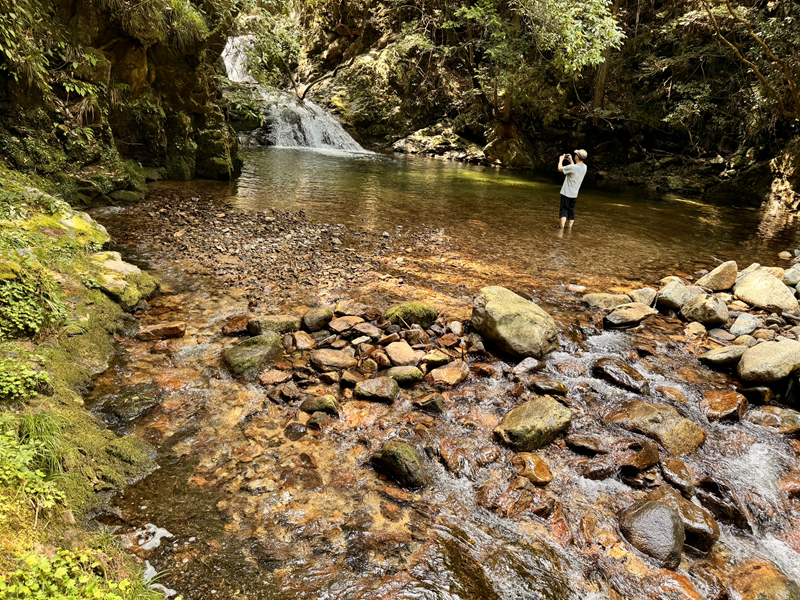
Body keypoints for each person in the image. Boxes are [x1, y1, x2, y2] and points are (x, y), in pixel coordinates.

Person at [557, 149, 588, 229]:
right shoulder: (585, 167)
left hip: (566, 192)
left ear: (577, 157)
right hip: (574, 194)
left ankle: (561, 228)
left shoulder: (572, 167)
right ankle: (569, 228)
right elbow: (575, 169)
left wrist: (561, 160)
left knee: (564, 210)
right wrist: (571, 161)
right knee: (571, 210)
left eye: (576, 155)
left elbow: (560, 169)